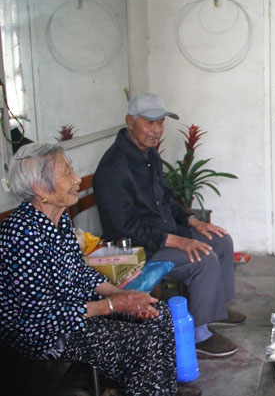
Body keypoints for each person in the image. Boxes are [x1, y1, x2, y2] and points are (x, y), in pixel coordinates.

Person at [0, 143, 201, 396]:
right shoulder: (22, 234)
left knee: (156, 312)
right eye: (66, 172)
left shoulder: (60, 219)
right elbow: (42, 316)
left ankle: (161, 388)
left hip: (76, 310)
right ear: (40, 189)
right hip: (45, 334)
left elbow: (80, 272)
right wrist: (113, 305)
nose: (76, 179)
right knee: (141, 340)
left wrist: (118, 294)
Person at [93, 92, 245, 358]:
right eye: (149, 122)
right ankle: (199, 335)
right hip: (139, 248)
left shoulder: (148, 155)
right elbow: (126, 228)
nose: (157, 130)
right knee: (203, 257)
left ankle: (216, 310)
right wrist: (177, 241)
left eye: (161, 122)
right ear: (130, 121)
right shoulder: (113, 168)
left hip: (164, 234)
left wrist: (192, 221)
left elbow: (166, 200)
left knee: (221, 241)